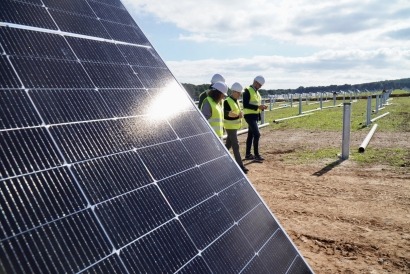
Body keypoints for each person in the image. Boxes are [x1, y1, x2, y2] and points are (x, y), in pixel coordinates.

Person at [224, 82, 249, 174]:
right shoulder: (227, 101)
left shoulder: (236, 101)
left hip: (234, 126)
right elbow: (226, 114)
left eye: (240, 93)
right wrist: (237, 115)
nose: (240, 95)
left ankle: (220, 157)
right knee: (236, 145)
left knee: (228, 145)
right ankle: (240, 166)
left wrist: (239, 115)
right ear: (234, 91)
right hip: (230, 126)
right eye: (238, 93)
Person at [243, 75, 267, 162]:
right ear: (255, 82)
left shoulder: (256, 92)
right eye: (259, 85)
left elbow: (256, 104)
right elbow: (245, 104)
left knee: (251, 135)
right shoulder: (247, 91)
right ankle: (256, 155)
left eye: (261, 86)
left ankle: (248, 154)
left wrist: (261, 107)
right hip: (249, 116)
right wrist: (258, 107)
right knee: (257, 134)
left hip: (255, 116)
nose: (260, 87)